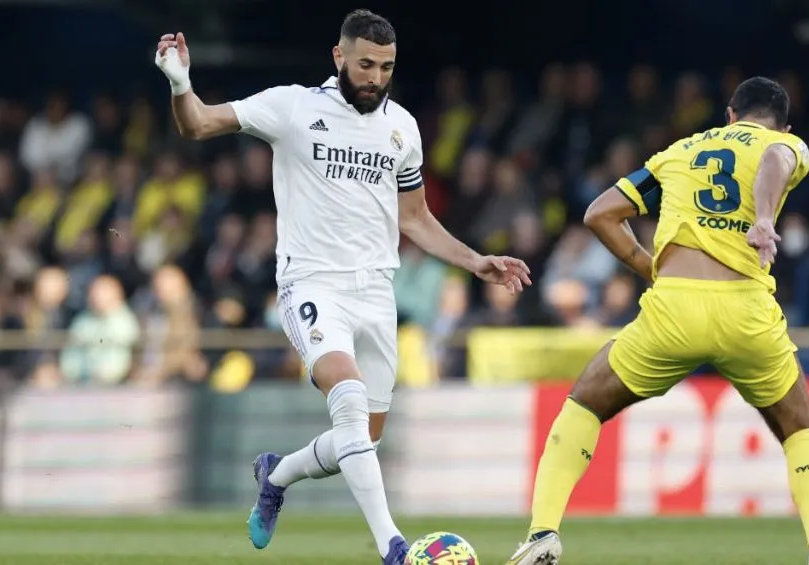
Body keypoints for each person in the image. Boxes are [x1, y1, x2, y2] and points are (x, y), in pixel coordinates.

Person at [154, 10, 531, 565]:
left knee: (362, 442)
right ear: (338, 57)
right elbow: (199, 124)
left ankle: (275, 473)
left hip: (377, 294)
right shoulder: (293, 107)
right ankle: (394, 548)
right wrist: (181, 83)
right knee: (348, 399)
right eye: (365, 65)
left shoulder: (402, 127)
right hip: (311, 284)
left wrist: (476, 262)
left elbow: (416, 218)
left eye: (386, 67)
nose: (375, 78)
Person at [506, 77, 809, 565]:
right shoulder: (785, 144)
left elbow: (600, 214)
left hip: (674, 309)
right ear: (784, 124)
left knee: (583, 405)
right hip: (745, 310)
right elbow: (775, 161)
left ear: (729, 115)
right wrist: (764, 217)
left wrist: (652, 268)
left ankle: (542, 535)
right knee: (798, 430)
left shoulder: (680, 151)